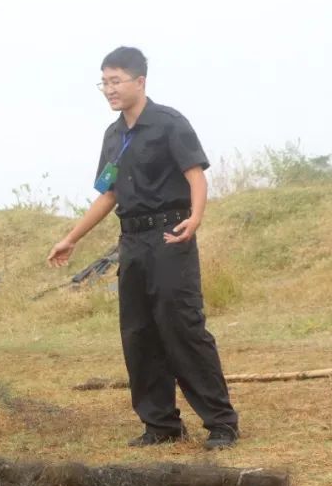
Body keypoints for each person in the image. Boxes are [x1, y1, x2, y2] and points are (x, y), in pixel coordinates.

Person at [47, 47, 240, 450]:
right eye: (104, 81)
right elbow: (109, 194)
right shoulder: (113, 135)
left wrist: (196, 217)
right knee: (138, 332)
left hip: (171, 235)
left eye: (116, 81)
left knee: (182, 327)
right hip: (131, 243)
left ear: (140, 81)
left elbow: (196, 176)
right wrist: (71, 237)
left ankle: (221, 422)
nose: (108, 89)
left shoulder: (169, 123)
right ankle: (161, 425)